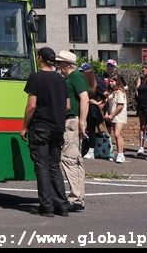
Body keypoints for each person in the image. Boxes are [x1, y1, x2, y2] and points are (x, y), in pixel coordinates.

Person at [21, 46, 71, 217]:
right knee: (54, 166)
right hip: (57, 128)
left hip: (40, 127)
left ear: (40, 59)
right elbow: (67, 106)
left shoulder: (36, 78)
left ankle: (46, 206)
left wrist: (24, 126)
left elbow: (31, 106)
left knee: (42, 166)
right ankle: (61, 205)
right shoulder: (61, 79)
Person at [56, 51, 88, 211]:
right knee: (75, 159)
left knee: (68, 158)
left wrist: (82, 122)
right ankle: (78, 197)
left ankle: (75, 197)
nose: (58, 66)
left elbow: (84, 98)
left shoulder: (75, 77)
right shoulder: (72, 77)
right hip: (73, 121)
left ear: (68, 65)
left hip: (71, 121)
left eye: (60, 63)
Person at [80, 64, 105, 159]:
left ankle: (91, 151)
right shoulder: (83, 84)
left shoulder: (96, 85)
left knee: (91, 130)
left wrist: (98, 103)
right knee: (84, 129)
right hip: (84, 108)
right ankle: (84, 149)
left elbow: (107, 95)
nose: (82, 74)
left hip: (92, 110)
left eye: (83, 72)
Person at [104, 74, 128, 163]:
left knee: (117, 134)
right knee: (117, 135)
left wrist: (112, 115)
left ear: (117, 82)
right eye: (109, 81)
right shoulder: (112, 92)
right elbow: (110, 105)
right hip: (114, 116)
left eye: (112, 81)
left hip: (119, 116)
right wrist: (108, 113)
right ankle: (119, 154)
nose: (110, 83)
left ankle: (120, 154)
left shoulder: (119, 92)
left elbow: (120, 106)